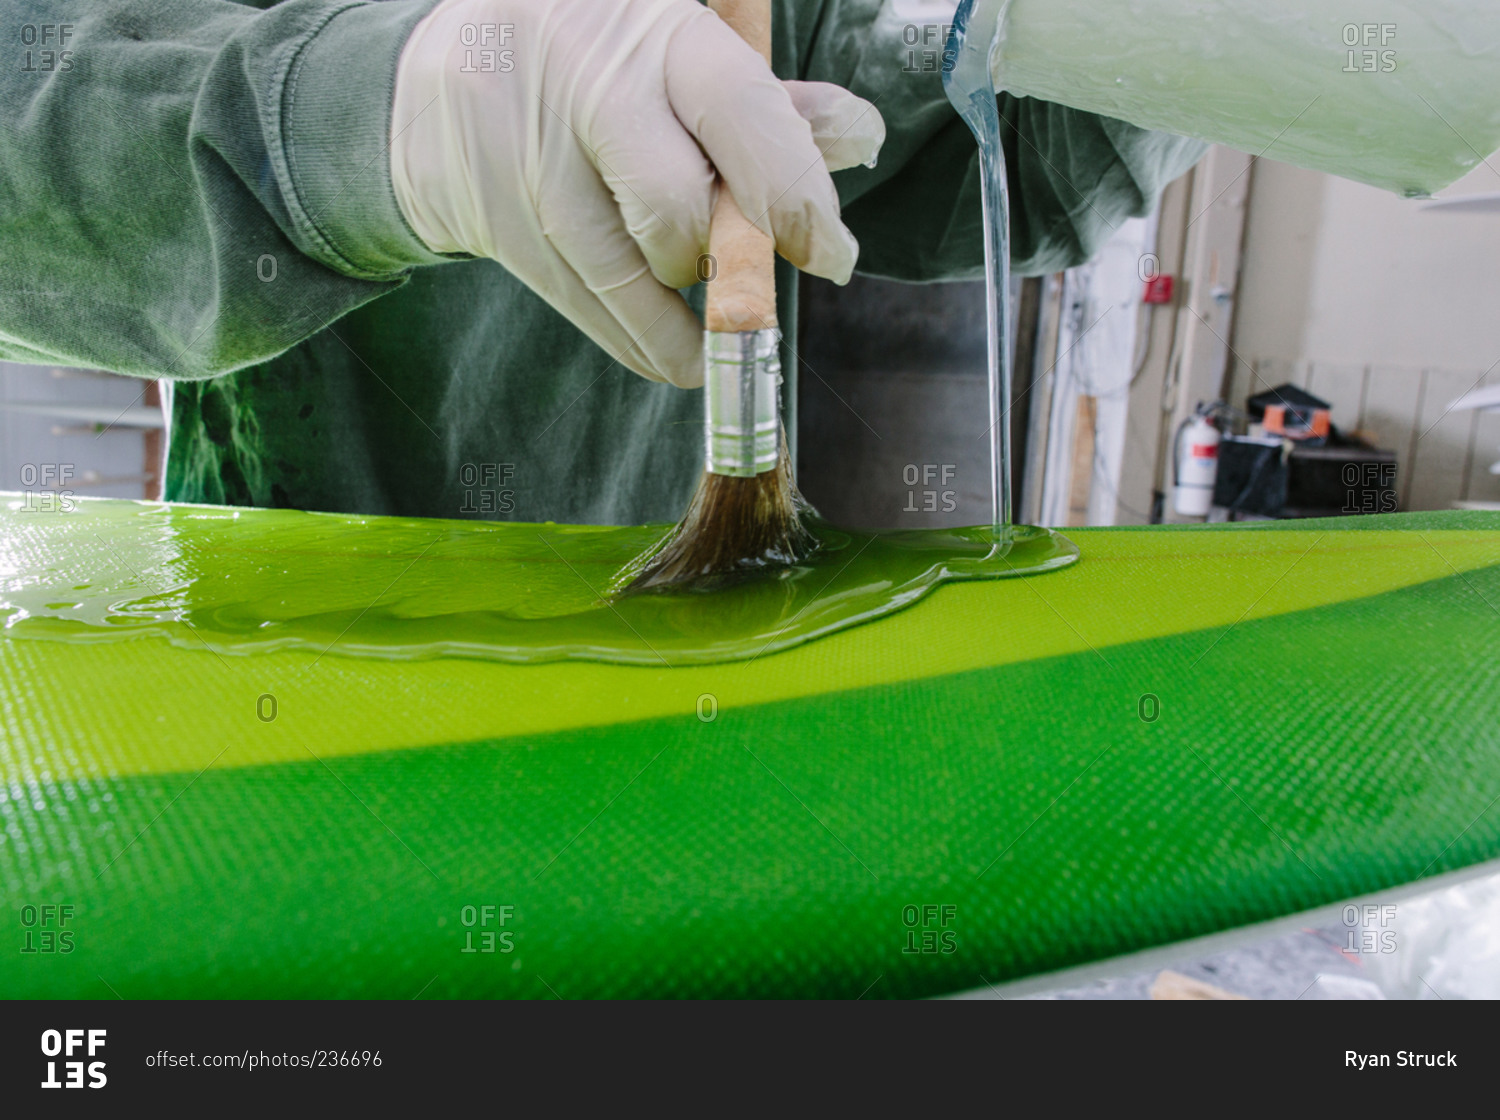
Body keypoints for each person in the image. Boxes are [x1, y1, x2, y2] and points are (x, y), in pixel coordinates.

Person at [1, 0, 1203, 524]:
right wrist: (371, 120)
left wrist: (1185, 51)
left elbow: (1007, 167)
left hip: (663, 645)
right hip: (304, 645)